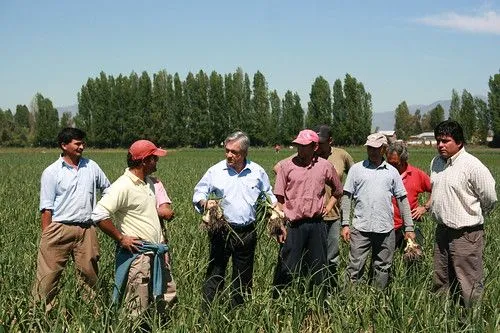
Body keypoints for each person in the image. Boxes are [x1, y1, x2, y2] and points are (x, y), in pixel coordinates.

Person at [192, 131, 278, 312]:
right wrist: (205, 202)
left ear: (245, 153)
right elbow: (198, 192)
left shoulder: (257, 172)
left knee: (243, 277)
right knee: (215, 273)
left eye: (234, 152)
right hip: (221, 230)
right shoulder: (216, 171)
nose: (229, 155)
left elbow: (269, 195)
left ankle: (237, 315)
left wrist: (275, 212)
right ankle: (207, 314)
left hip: (247, 231)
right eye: (227, 151)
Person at [33, 127, 110, 311]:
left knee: (89, 276)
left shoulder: (92, 166)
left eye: (83, 143)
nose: (82, 146)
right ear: (64, 145)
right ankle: (41, 315)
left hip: (86, 230)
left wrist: (100, 211)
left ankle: (93, 314)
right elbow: (46, 207)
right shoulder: (52, 172)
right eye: (77, 143)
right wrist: (47, 235)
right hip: (59, 228)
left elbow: (108, 189)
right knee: (48, 277)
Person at [91, 139, 171, 317]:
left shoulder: (148, 182)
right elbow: (98, 214)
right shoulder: (122, 186)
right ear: (144, 161)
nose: (157, 161)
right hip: (139, 256)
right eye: (154, 158)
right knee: (137, 307)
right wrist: (121, 238)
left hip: (156, 254)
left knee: (159, 304)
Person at [273, 125, 354, 289]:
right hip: (293, 225)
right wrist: (280, 224)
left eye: (304, 146)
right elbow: (279, 198)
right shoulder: (287, 166)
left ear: (314, 147)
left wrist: (329, 205)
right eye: (298, 146)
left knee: (318, 267)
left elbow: (338, 190)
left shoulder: (324, 166)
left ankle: (317, 304)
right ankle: (282, 304)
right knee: (288, 266)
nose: (300, 149)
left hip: (317, 224)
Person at [430, 120, 497, 308]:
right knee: (441, 278)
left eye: (445, 141)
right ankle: (442, 317)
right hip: (442, 231)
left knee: (468, 281)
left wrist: (473, 212)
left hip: (466, 234)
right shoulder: (436, 162)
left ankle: (471, 321)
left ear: (459, 142)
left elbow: (490, 197)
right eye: (438, 141)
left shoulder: (472, 165)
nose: (440, 145)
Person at [341, 133, 415, 289]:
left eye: (376, 149)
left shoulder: (392, 172)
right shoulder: (356, 169)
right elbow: (347, 197)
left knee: (382, 267)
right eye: (369, 148)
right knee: (355, 266)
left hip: (385, 228)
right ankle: (351, 301)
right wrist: (345, 224)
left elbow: (402, 199)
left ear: (384, 149)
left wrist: (408, 227)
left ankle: (377, 298)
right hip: (361, 227)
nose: (372, 152)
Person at [386, 141, 431, 250]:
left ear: (403, 160)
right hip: (387, 227)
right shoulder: (383, 173)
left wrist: (424, 208)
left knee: (412, 258)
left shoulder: (417, 174)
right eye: (389, 163)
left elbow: (437, 191)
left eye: (395, 164)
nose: (391, 167)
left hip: (410, 226)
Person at [151, 177, 177, 306]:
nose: (156, 161)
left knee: (165, 275)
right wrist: (156, 211)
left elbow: (166, 211)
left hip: (159, 239)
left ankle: (165, 314)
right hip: (137, 240)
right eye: (153, 158)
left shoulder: (156, 183)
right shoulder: (126, 184)